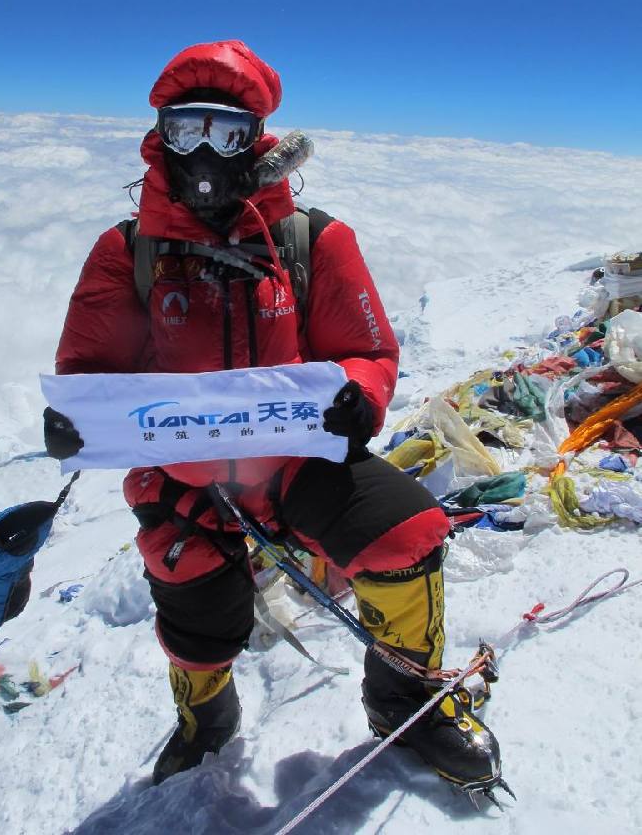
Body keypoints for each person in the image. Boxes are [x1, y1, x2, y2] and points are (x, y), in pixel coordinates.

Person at [44, 40, 502, 794]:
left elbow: (365, 350)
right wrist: (76, 418)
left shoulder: (311, 241)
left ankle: (406, 703)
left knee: (408, 535)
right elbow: (90, 368)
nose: (204, 152)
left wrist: (360, 396)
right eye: (186, 128)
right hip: (185, 476)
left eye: (226, 133)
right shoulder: (130, 252)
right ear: (160, 137)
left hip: (297, 460)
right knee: (193, 602)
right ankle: (206, 718)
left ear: (255, 140)